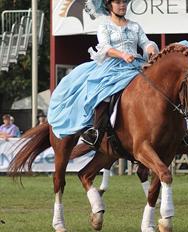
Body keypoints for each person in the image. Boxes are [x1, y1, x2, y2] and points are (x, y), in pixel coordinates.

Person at [48, 0, 159, 145]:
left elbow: (145, 42)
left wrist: (151, 48)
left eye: (124, 2)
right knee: (103, 91)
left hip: (135, 64)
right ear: (109, 5)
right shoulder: (104, 26)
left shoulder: (134, 26)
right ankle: (96, 130)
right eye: (118, 2)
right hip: (113, 66)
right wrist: (123, 55)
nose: (122, 5)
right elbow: (105, 47)